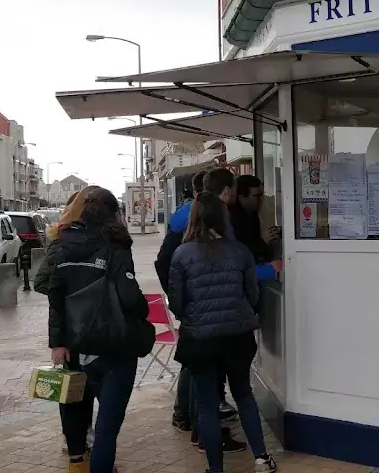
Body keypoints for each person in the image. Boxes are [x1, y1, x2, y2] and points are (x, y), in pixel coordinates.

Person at [168, 192, 279, 473]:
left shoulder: (182, 254)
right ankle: (262, 459)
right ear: (223, 217)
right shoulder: (239, 251)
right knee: (243, 394)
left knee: (206, 404)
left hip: (200, 339)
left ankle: (216, 468)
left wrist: (193, 317)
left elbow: (177, 302)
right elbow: (252, 294)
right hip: (238, 336)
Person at [48, 187, 155, 473]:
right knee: (106, 428)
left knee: (74, 409)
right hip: (113, 345)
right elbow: (130, 297)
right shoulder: (115, 246)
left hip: (75, 345)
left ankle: (77, 463)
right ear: (114, 214)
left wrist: (57, 343)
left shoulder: (62, 245)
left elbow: (55, 298)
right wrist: (143, 311)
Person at [156, 170, 242, 449]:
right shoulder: (203, 218)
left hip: (196, 308)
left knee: (193, 365)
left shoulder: (185, 216)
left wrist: (180, 301)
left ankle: (189, 419)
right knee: (202, 370)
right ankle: (202, 429)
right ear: (226, 192)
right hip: (206, 311)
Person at [34, 187, 96, 456]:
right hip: (71, 326)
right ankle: (74, 440)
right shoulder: (61, 242)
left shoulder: (100, 241)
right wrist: (69, 294)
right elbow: (42, 282)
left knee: (88, 384)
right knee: (72, 386)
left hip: (90, 325)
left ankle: (82, 434)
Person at [230, 175, 281, 263]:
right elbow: (239, 252)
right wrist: (263, 241)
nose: (261, 199)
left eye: (261, 195)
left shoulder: (252, 214)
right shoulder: (233, 219)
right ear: (242, 198)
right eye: (256, 196)